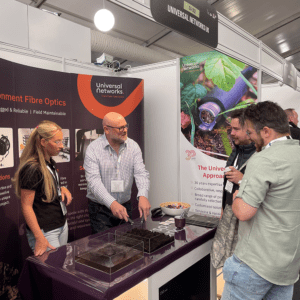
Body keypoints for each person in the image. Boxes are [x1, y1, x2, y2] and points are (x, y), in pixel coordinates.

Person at [221, 101, 300, 300]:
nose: (249, 137)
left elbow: (243, 212)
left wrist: (238, 196)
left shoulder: (264, 159)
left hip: (254, 265)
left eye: (250, 132)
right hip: (287, 269)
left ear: (265, 131)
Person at [12, 121, 72, 256]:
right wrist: (39, 237)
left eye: (61, 141)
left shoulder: (50, 162)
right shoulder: (32, 168)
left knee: (60, 269)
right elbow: (26, 206)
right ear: (43, 142)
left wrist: (61, 188)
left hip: (61, 225)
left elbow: (44, 186)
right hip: (46, 231)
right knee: (51, 273)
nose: (61, 146)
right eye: (57, 142)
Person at [84, 112, 150, 233]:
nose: (125, 130)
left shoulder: (133, 146)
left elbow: (141, 173)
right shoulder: (93, 149)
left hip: (125, 206)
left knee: (126, 245)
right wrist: (112, 203)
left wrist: (143, 195)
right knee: (104, 248)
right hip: (100, 210)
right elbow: (94, 182)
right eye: (120, 128)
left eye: (125, 126)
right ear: (106, 129)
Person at [222, 109, 256, 214]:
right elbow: (227, 183)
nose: (231, 133)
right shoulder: (237, 150)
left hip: (245, 217)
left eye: (236, 129)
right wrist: (223, 209)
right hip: (229, 212)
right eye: (231, 128)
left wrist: (242, 180)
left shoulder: (261, 156)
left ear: (249, 130)